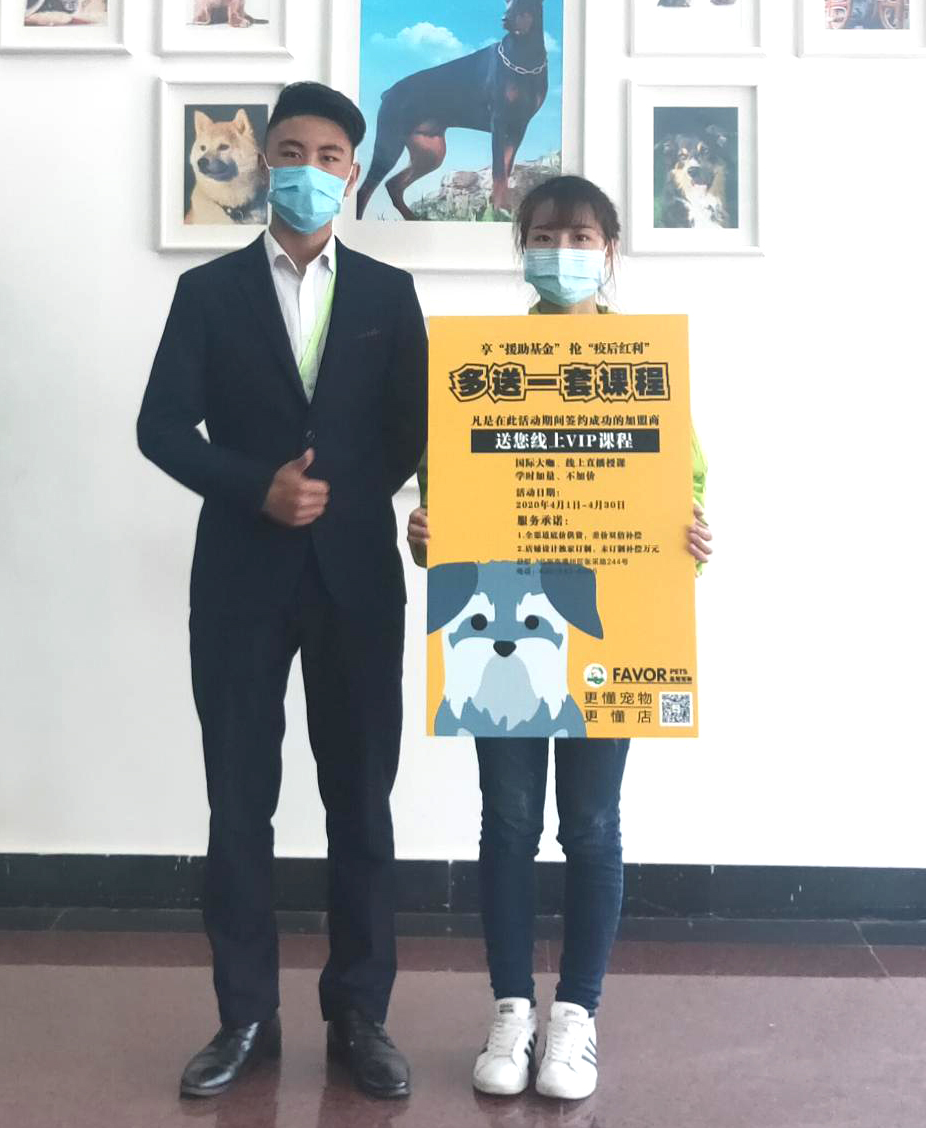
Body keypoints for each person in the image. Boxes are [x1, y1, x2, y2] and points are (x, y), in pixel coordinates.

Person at [137, 82, 427, 1101]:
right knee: (237, 801)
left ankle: (359, 1015)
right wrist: (253, 485)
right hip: (239, 578)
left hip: (357, 579)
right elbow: (160, 427)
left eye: (329, 155)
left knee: (361, 800)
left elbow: (412, 430)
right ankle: (244, 1018)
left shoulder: (389, 295)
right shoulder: (208, 292)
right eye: (291, 151)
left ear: (352, 172)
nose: (309, 169)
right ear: (266, 162)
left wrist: (350, 497)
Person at [407, 175, 713, 1102]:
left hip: (612, 622)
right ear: (521, 248)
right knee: (507, 820)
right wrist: (428, 534)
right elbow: (445, 484)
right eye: (544, 235)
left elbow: (684, 484)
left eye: (581, 237)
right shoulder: (481, 365)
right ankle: (511, 1008)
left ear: (610, 250)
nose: (562, 251)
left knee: (590, 824)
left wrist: (689, 541)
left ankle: (576, 1015)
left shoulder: (645, 365)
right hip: (500, 620)